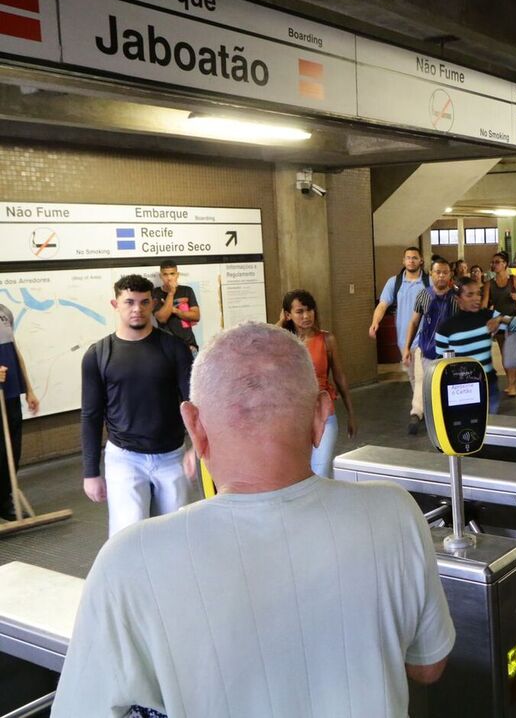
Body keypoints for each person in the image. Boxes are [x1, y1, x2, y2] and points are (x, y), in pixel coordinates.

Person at [54, 323, 454, 718]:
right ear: (321, 416)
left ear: (195, 426)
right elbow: (427, 665)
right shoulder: (395, 515)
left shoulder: (127, 561)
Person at [80, 274, 195, 537]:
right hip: (124, 458)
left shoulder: (174, 348)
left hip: (172, 456)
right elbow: (91, 416)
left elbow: (193, 403)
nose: (137, 309)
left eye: (144, 302)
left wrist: (197, 448)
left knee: (178, 534)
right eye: (129, 302)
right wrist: (90, 472)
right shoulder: (98, 355)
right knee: (128, 535)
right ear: (115, 304)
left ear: (153, 304)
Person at [280, 290, 357, 478]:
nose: (306, 316)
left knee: (320, 471)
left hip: (324, 414)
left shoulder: (327, 339)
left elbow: (340, 377)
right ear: (288, 315)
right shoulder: (283, 342)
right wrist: (280, 323)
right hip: (294, 417)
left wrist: (351, 413)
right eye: (299, 311)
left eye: (310, 310)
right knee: (299, 473)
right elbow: (262, 344)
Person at [437, 277, 516, 414]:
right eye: (470, 295)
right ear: (458, 299)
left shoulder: (488, 316)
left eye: (478, 294)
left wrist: (500, 319)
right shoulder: (446, 328)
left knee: (489, 427)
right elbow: (441, 364)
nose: (476, 299)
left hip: (488, 385)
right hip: (462, 390)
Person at [370, 246, 430, 423]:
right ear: (403, 261)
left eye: (414, 257)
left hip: (424, 339)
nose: (411, 260)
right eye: (408, 258)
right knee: (412, 377)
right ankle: (424, 407)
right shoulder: (394, 282)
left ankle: (416, 412)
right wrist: (375, 322)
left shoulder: (429, 283)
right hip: (403, 340)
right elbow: (383, 305)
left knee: (421, 376)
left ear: (421, 261)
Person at [404, 259, 459, 434]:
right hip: (426, 349)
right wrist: (407, 348)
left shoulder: (457, 297)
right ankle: (416, 413)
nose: (441, 276)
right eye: (437, 272)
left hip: (451, 352)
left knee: (447, 385)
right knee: (423, 383)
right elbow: (414, 322)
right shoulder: (424, 295)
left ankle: (444, 418)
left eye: (445, 272)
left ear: (450, 274)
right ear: (431, 274)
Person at [0, 302, 39, 521]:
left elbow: (15, 351)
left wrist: (29, 389)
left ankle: (5, 498)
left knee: (12, 450)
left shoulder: (4, 312)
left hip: (11, 392)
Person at [483, 251, 516, 396]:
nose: (494, 264)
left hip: (513, 319)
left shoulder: (514, 280)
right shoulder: (489, 284)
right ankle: (510, 383)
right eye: (493, 262)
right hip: (498, 321)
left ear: (505, 264)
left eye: (497, 262)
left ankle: (512, 385)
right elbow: (485, 304)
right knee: (504, 353)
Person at [152, 259, 201, 355]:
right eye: (165, 274)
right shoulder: (155, 293)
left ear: (177, 275)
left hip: (189, 347)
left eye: (172, 274)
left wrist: (175, 310)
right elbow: (162, 318)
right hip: (166, 348)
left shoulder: (187, 290)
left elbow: (196, 316)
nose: (169, 278)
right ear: (160, 276)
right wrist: (171, 293)